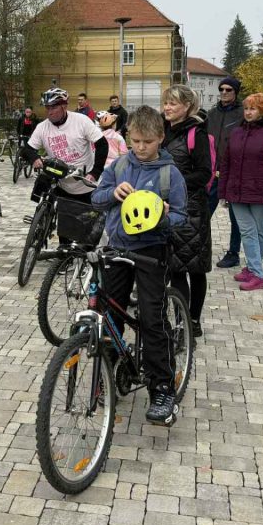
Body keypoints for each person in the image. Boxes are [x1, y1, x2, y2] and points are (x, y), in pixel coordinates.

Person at [92, 105, 188, 426]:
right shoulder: (119, 166)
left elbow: (181, 217)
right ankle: (109, 370)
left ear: (160, 137)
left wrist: (163, 214)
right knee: (110, 314)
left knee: (152, 318)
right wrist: (111, 194)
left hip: (151, 252)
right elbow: (96, 197)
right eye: (135, 141)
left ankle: (162, 387)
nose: (141, 147)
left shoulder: (168, 173)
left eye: (147, 141)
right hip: (118, 248)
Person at [219, 93, 263, 291]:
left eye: (253, 109)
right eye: (247, 108)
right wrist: (223, 192)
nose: (248, 112)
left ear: (262, 110)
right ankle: (256, 271)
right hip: (236, 191)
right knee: (247, 231)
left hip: (260, 192)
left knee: (258, 231)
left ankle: (254, 269)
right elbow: (226, 162)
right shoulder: (237, 132)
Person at [161, 85, 213, 337]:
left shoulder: (196, 134)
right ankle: (181, 321)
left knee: (195, 267)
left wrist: (175, 183)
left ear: (188, 107)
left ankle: (194, 319)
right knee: (176, 266)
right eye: (166, 103)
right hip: (167, 207)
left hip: (192, 209)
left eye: (173, 103)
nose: (167, 108)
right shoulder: (163, 131)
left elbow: (205, 173)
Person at [21, 87, 108, 204]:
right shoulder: (42, 127)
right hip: (60, 183)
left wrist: (95, 172)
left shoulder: (81, 121)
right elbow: (27, 149)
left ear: (64, 107)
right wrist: (34, 158)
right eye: (47, 107)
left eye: (54, 107)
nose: (49, 111)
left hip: (84, 184)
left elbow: (102, 144)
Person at [206, 76, 243, 268]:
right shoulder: (211, 114)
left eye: (228, 90)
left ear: (236, 92)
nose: (224, 93)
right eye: (222, 89)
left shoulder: (242, 114)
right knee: (204, 211)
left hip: (235, 171)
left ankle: (233, 252)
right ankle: (201, 246)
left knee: (236, 215)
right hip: (214, 171)